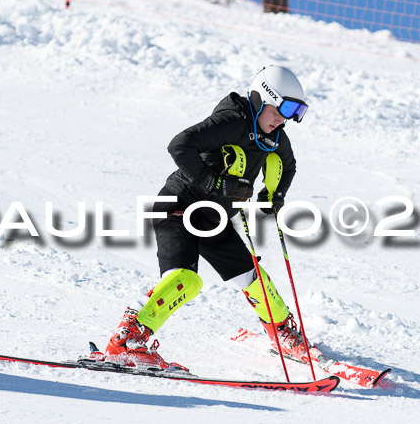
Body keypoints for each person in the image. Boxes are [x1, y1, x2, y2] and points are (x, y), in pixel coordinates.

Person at [104, 65, 310, 370]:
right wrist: (215, 183)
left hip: (212, 217)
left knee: (252, 277)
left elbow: (287, 166)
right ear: (264, 96)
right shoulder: (232, 120)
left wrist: (274, 195)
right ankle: (127, 340)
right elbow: (180, 144)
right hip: (178, 207)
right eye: (283, 106)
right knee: (184, 280)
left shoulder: (276, 136)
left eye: (296, 111)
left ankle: (281, 332)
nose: (285, 117)